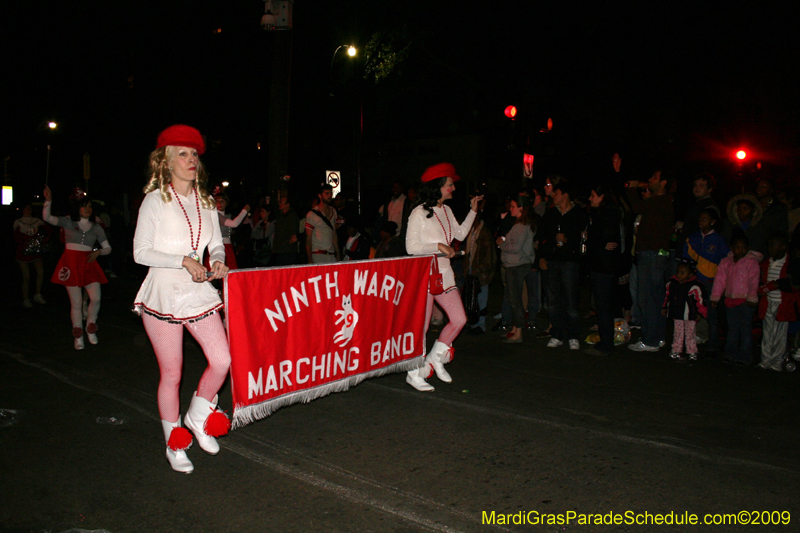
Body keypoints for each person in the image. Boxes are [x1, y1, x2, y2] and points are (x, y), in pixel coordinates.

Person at [132, 124, 231, 474]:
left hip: (198, 292)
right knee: (172, 373)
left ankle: (199, 415)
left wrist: (216, 259)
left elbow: (216, 242)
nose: (191, 160)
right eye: (183, 154)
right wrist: (183, 261)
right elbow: (140, 252)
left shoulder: (206, 201)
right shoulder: (155, 199)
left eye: (194, 154)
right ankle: (174, 443)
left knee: (222, 360)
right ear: (166, 161)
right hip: (163, 294)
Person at [405, 162, 481, 392]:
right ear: (437, 186)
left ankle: (434, 359)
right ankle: (413, 372)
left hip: (444, 274)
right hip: (425, 275)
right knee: (422, 326)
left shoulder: (446, 210)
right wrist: (438, 246)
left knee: (459, 319)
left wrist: (473, 210)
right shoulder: (418, 212)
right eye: (450, 184)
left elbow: (459, 234)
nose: (454, 188)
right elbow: (411, 247)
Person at [42, 187, 111, 350]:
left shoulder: (96, 227)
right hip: (71, 263)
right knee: (76, 302)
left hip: (89, 264)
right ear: (77, 208)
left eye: (90, 206)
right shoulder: (68, 221)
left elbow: (108, 248)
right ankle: (78, 335)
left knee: (96, 298)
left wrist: (99, 252)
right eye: (84, 206)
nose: (88, 209)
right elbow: (47, 218)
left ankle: (91, 326)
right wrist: (48, 201)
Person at [625, 170, 675, 352]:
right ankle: (657, 337)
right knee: (656, 297)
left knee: (647, 298)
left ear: (664, 182)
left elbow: (637, 206)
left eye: (655, 178)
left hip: (651, 255)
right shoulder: (662, 202)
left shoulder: (660, 201)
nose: (650, 180)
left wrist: (632, 188)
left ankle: (650, 340)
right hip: (655, 255)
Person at [537, 176, 589, 350]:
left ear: (565, 194)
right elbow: (542, 236)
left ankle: (573, 334)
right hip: (552, 260)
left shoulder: (579, 213)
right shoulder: (551, 213)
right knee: (553, 300)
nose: (554, 195)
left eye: (556, 193)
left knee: (570, 299)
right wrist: (541, 256)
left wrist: (568, 240)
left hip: (569, 261)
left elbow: (584, 239)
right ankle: (557, 333)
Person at [683, 208, 730, 357]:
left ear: (713, 221)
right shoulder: (693, 238)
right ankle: (689, 340)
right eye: (700, 219)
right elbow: (685, 259)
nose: (701, 222)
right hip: (694, 281)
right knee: (691, 311)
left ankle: (713, 344)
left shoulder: (718, 240)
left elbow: (725, 262)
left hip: (710, 282)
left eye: (704, 219)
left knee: (711, 315)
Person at [584, 184, 623, 357]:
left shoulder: (607, 215)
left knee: (604, 306)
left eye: (593, 195)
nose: (590, 199)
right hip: (601, 265)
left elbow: (604, 239)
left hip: (603, 267)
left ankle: (606, 343)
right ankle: (605, 340)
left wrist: (597, 245)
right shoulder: (600, 214)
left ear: (602, 197)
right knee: (603, 305)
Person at [711, 236, 761, 366]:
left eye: (743, 247)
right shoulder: (726, 262)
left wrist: (751, 297)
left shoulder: (751, 262)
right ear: (732, 248)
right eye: (737, 247)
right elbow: (720, 280)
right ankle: (730, 354)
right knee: (732, 329)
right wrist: (715, 297)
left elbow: (754, 280)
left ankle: (744, 356)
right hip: (731, 300)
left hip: (745, 301)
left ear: (748, 248)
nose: (740, 250)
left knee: (745, 329)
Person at [496, 196, 535, 343]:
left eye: (513, 206)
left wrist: (502, 244)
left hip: (517, 265)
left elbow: (515, 247)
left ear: (521, 208)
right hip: (515, 263)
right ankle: (515, 328)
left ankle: (518, 332)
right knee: (513, 297)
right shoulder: (519, 224)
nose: (510, 209)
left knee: (515, 299)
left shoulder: (521, 226)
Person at [757, 233, 798, 371]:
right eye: (769, 245)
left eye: (773, 245)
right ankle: (765, 360)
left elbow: (794, 284)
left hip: (782, 304)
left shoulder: (790, 264)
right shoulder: (766, 263)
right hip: (768, 302)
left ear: (783, 247)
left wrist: (776, 285)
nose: (769, 248)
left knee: (780, 334)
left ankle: (777, 362)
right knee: (767, 333)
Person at [662, 259, 707, 362]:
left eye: (682, 273)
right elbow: (667, 297)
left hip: (690, 315)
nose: (679, 275)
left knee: (690, 334)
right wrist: (665, 307)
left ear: (690, 274)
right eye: (678, 272)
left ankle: (692, 352)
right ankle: (676, 350)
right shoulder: (672, 284)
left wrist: (700, 313)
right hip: (677, 313)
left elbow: (699, 301)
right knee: (678, 333)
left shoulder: (694, 286)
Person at [464, 199, 496, 334]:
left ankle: (480, 325)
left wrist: (477, 270)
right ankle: (473, 323)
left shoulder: (483, 233)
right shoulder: (473, 232)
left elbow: (488, 257)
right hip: (474, 269)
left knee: (481, 299)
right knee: (473, 299)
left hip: (481, 272)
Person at [13, 204, 49, 308]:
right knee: (26, 276)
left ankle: (37, 294)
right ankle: (25, 298)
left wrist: (41, 239)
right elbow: (16, 236)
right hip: (23, 250)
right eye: (26, 208)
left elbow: (47, 231)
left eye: (30, 208)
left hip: (35, 250)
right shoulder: (18, 221)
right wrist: (25, 241)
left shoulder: (36, 220)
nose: (28, 210)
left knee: (40, 272)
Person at [677, 173, 721, 256]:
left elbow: (704, 229)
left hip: (698, 252)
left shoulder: (710, 208)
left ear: (709, 189)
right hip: (688, 249)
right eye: (695, 185)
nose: (697, 188)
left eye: (701, 185)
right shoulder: (695, 204)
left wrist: (685, 226)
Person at [211, 194, 249, 270]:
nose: (219, 203)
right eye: (217, 201)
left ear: (226, 203)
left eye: (222, 201)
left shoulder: (227, 215)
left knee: (231, 270)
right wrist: (245, 211)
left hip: (228, 247)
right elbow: (234, 224)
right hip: (219, 247)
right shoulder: (216, 215)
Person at [305, 183, 340, 263]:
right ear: (320, 196)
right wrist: (310, 260)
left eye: (331, 193)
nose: (330, 195)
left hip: (331, 254)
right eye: (327, 193)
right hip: (318, 254)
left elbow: (334, 234)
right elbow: (308, 239)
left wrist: (338, 253)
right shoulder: (312, 214)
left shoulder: (333, 211)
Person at [271, 195, 301, 266]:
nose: (280, 204)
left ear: (287, 204)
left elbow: (293, 234)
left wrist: (284, 243)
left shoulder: (292, 217)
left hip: (287, 252)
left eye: (282, 202)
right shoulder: (282, 216)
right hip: (280, 250)